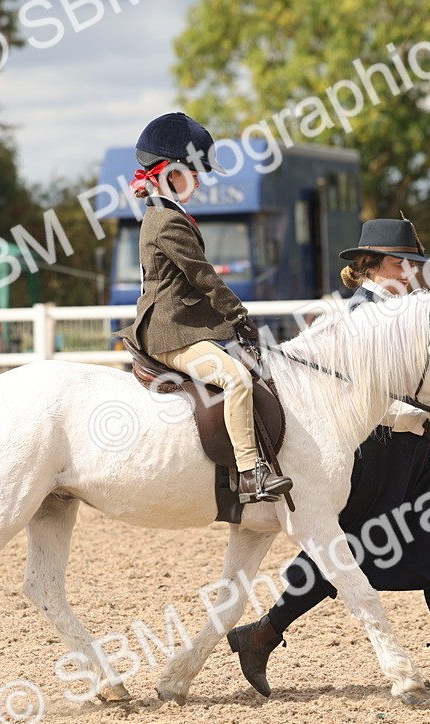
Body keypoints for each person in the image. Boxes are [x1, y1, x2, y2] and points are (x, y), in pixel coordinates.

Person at [227, 218, 430, 694]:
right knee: (350, 550)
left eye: (411, 263)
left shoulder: (407, 313)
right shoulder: (351, 316)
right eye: (400, 262)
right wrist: (425, 420)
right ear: (369, 265)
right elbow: (363, 400)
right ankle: (262, 633)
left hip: (409, 455)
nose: (409, 271)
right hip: (371, 453)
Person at [116, 112, 291, 503]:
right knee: (237, 380)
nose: (199, 181)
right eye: (194, 173)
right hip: (171, 332)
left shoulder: (166, 215)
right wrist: (239, 315)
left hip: (185, 325)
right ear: (172, 173)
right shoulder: (166, 222)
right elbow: (204, 278)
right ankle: (250, 473)